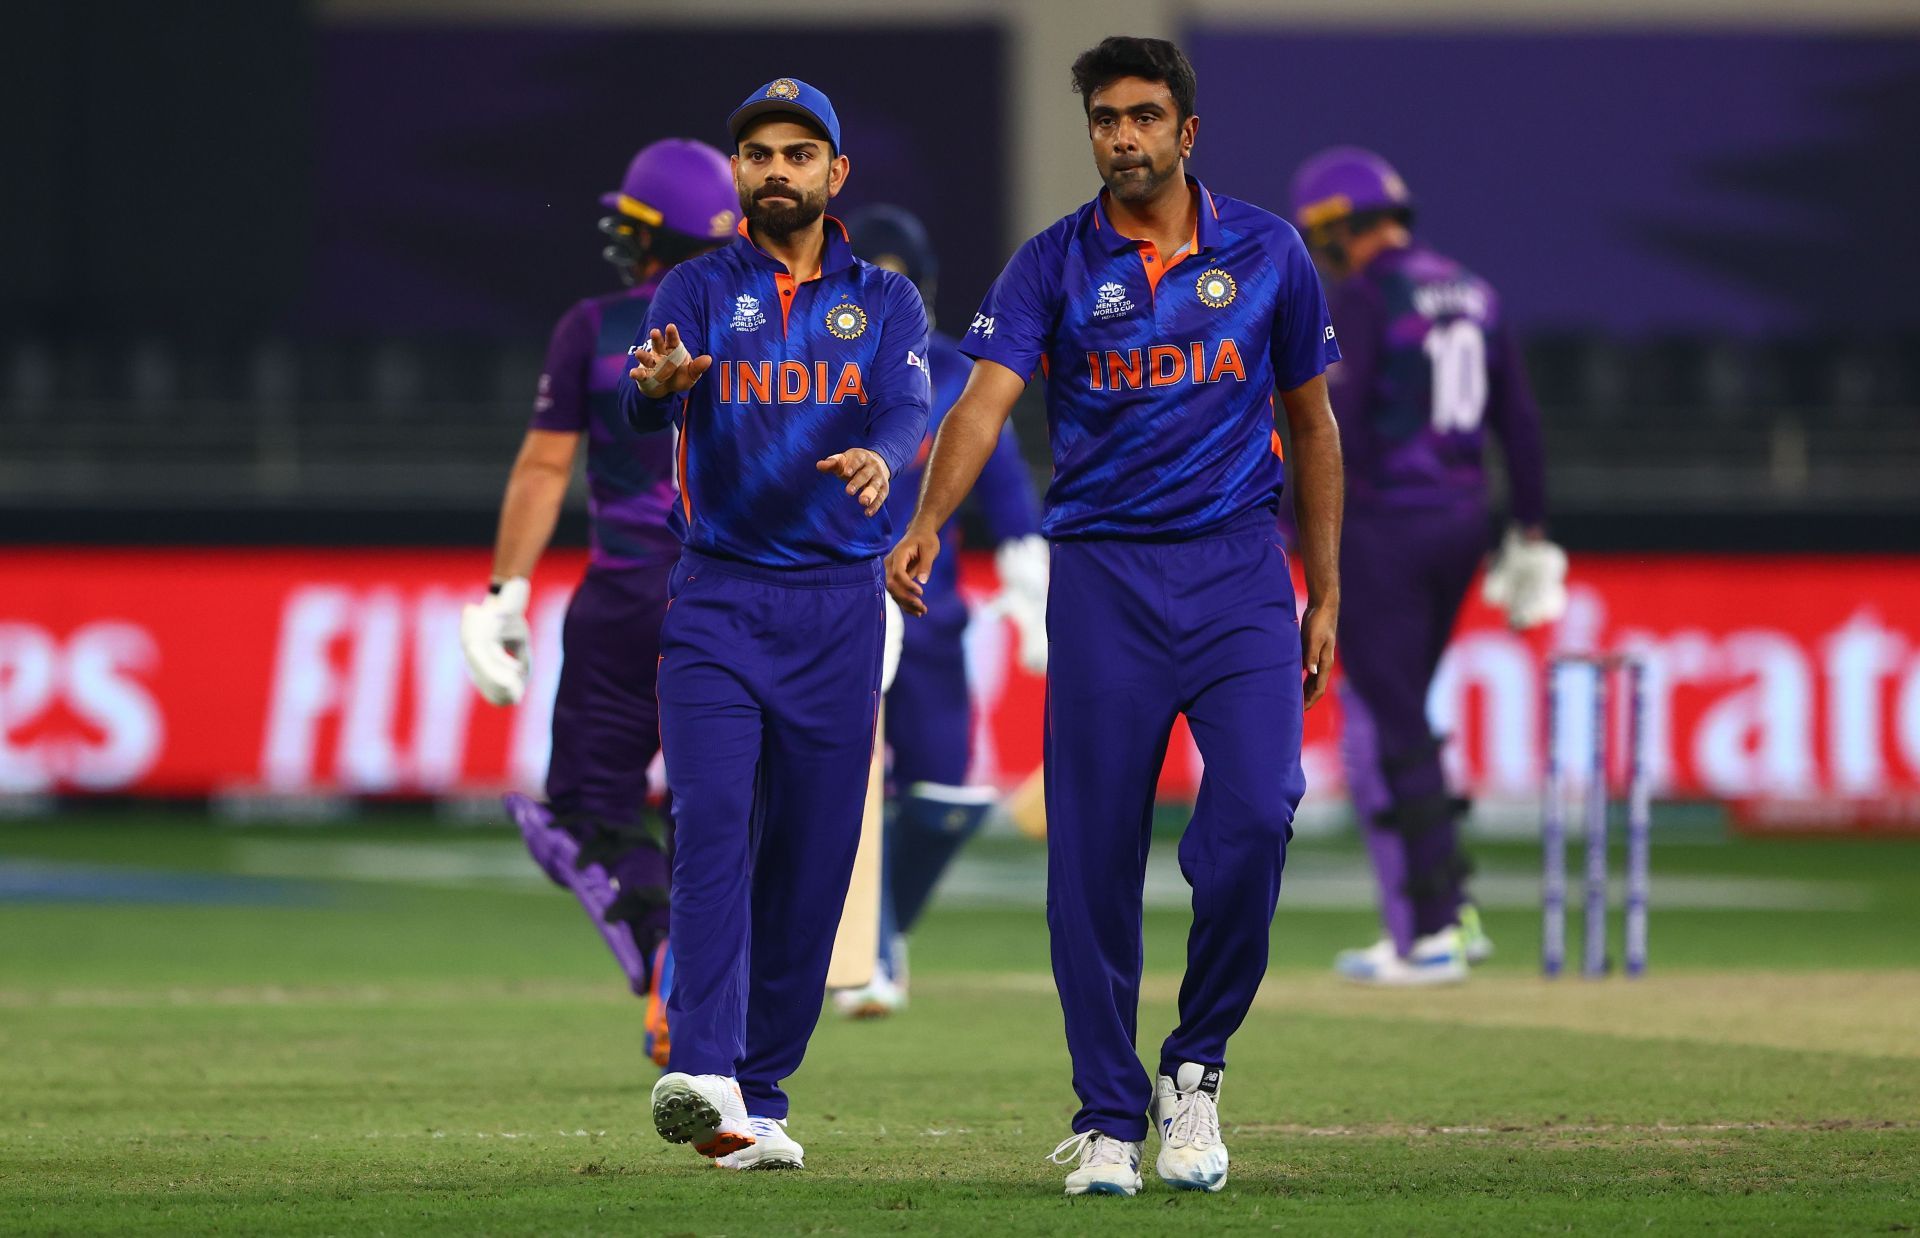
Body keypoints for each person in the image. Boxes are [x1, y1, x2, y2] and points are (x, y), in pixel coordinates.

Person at [887, 37, 1344, 1197]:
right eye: (1104, 119)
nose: (1122, 137)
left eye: (1143, 117)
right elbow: (983, 405)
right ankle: (1106, 1114)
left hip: (1241, 571)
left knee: (1255, 816)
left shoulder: (1270, 252)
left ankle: (1195, 1069)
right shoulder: (1050, 263)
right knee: (1090, 859)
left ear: (1188, 133)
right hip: (1104, 577)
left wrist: (1327, 582)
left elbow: (1314, 423)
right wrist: (931, 516)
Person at [621, 77, 930, 1172]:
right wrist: (658, 386)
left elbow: (909, 405)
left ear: (835, 174)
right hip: (716, 598)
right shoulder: (697, 289)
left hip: (836, 610)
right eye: (757, 153)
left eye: (800, 153)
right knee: (710, 825)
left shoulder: (887, 302)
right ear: (738, 173)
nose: (777, 169)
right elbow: (645, 388)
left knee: (812, 860)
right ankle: (702, 1067)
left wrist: (885, 457)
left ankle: (762, 1095)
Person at [458, 139, 738, 1062]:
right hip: (741, 594)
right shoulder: (771, 318)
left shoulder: (594, 324)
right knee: (729, 811)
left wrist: (506, 590)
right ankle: (720, 997)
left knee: (588, 811)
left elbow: (545, 468)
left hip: (626, 597)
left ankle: (663, 954)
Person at [1287, 146, 1565, 987]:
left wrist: (1294, 527)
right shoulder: (1474, 290)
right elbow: (1518, 418)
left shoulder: (1368, 297)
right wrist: (1530, 528)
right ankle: (1439, 914)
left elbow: (1339, 428)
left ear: (1341, 225)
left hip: (1386, 527)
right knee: (1399, 713)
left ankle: (1432, 929)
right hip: (1460, 522)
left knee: (1389, 720)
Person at [828, 204, 1049, 1020]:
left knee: (947, 800)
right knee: (845, 791)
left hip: (930, 618)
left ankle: (879, 932)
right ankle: (870, 954)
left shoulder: (957, 373)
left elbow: (1006, 490)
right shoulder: (819, 370)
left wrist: (1031, 584)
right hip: (834, 611)